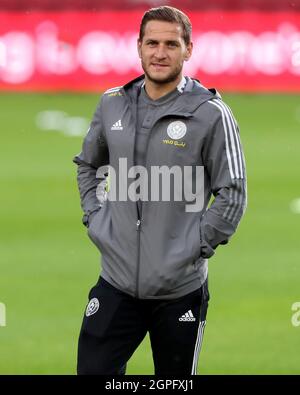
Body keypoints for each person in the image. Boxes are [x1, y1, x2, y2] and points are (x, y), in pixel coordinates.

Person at [73, 6, 247, 375]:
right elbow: (89, 164)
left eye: (171, 43)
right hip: (115, 282)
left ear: (188, 49)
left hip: (179, 291)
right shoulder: (112, 103)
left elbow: (232, 192)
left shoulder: (211, 113)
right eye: (152, 42)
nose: (160, 52)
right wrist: (95, 217)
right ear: (138, 47)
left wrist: (193, 247)